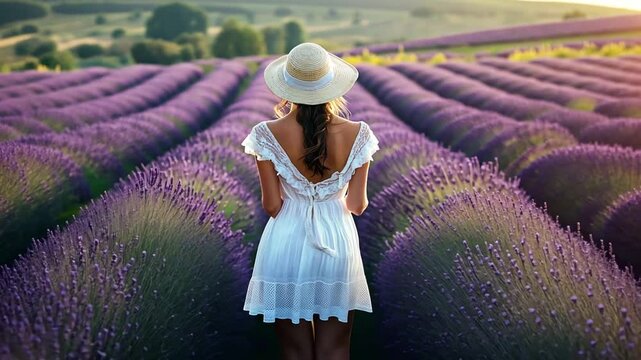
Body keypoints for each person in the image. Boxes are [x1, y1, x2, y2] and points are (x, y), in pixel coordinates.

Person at [241, 42, 380, 360]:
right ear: (331, 85)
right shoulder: (359, 133)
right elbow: (357, 205)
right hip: (337, 242)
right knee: (335, 348)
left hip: (287, 241)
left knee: (295, 350)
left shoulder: (265, 134)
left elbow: (272, 206)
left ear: (286, 86)